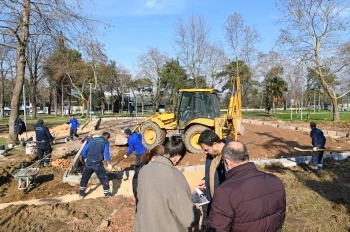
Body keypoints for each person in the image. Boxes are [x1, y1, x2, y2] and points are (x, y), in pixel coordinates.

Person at [206, 141, 286, 232]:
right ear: (247, 157)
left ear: (227, 162)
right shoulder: (276, 181)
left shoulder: (225, 192)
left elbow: (217, 228)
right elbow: (280, 218)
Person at [135, 136, 200, 232]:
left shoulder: (144, 170)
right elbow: (188, 218)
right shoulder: (175, 175)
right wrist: (196, 210)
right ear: (178, 157)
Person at [196, 130, 226, 213]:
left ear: (215, 145)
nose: (205, 153)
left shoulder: (230, 157)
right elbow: (213, 172)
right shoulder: (211, 155)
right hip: (214, 204)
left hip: (225, 206)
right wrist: (206, 180)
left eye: (206, 150)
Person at [79, 132, 113, 199]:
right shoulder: (106, 142)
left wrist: (85, 158)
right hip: (97, 163)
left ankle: (81, 194)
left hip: (88, 162)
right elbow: (106, 154)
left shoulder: (93, 139)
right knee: (104, 178)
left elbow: (84, 150)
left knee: (84, 178)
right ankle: (107, 194)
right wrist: (109, 164)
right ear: (107, 137)